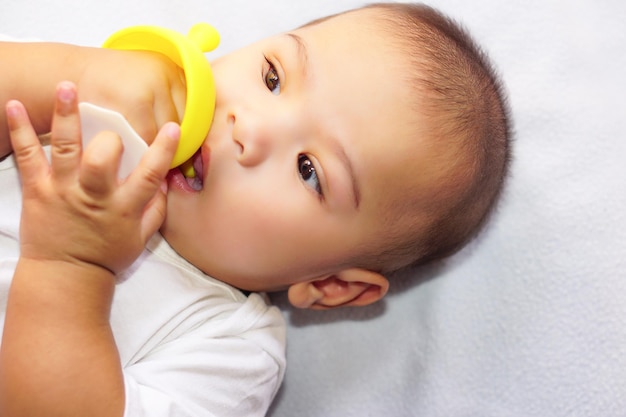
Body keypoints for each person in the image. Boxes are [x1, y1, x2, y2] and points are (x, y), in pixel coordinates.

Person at [0, 3, 510, 417]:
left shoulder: (232, 345)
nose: (249, 128)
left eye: (309, 170)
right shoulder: (89, 120)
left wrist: (70, 266)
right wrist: (73, 72)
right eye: (272, 78)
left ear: (333, 285)